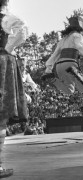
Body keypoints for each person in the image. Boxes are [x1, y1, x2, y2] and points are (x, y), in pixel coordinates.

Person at [0, 0, 28, 177]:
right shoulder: (6, 16)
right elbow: (23, 31)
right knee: (1, 115)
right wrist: (8, 48)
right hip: (2, 63)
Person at [42, 15, 83, 95]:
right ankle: (75, 72)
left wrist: (48, 69)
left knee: (69, 90)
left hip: (59, 66)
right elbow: (82, 49)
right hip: (70, 63)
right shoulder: (77, 35)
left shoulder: (63, 40)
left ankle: (53, 80)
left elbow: (55, 55)